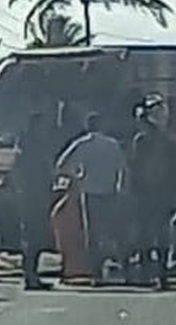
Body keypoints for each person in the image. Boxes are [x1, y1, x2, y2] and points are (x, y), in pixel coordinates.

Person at [56, 112, 127, 286]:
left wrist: (77, 176)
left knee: (93, 234)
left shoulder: (82, 144)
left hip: (90, 192)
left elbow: (62, 165)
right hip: (111, 192)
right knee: (113, 232)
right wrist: (121, 187)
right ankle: (121, 268)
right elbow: (123, 169)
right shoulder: (113, 144)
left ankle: (96, 274)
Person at [127, 95, 176, 288]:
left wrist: (130, 189)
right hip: (163, 192)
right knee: (161, 233)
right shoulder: (166, 140)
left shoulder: (141, 140)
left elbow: (133, 166)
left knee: (144, 233)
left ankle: (145, 272)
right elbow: (174, 168)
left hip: (144, 192)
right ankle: (162, 274)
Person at [14, 112, 56, 290]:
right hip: (32, 198)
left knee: (34, 239)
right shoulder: (31, 150)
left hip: (34, 196)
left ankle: (32, 275)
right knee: (32, 239)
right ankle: (30, 277)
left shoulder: (30, 149)